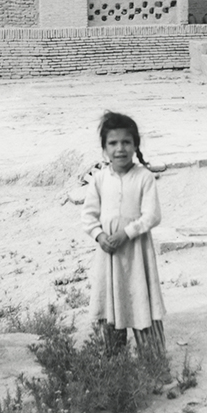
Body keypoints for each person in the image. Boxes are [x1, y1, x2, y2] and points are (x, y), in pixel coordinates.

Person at [81, 111, 167, 361]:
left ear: (135, 145)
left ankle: (153, 364)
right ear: (104, 148)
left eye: (126, 142)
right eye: (113, 143)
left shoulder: (144, 178)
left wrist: (126, 233)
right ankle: (114, 364)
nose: (120, 149)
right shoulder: (99, 179)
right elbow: (88, 216)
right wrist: (100, 236)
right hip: (109, 256)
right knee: (112, 303)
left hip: (137, 253)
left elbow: (152, 216)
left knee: (141, 301)